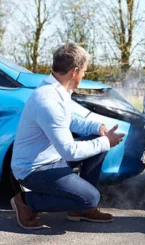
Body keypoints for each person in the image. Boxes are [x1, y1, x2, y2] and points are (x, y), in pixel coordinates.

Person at [10, 43, 125, 229]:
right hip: (34, 169)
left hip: (52, 158)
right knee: (91, 198)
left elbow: (71, 120)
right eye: (84, 72)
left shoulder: (56, 90)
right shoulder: (48, 100)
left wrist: (98, 128)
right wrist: (105, 141)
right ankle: (26, 201)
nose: (84, 75)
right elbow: (70, 151)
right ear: (75, 71)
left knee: (97, 146)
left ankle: (79, 209)